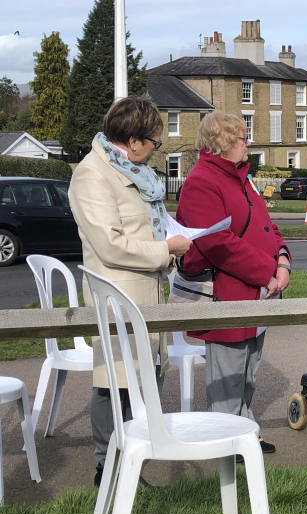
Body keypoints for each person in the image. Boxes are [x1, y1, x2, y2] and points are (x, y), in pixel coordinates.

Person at [68, 96, 192, 486]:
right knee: (114, 385)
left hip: (149, 294)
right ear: (134, 140)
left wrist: (171, 250)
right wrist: (166, 250)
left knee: (144, 383)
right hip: (118, 298)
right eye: (156, 142)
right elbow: (109, 245)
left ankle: (131, 465)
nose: (157, 151)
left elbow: (146, 228)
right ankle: (107, 469)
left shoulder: (137, 174)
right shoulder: (92, 174)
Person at [176, 111, 290, 459]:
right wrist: (268, 272)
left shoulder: (242, 177)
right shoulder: (201, 181)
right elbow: (218, 244)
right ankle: (226, 442)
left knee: (248, 372)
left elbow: (268, 226)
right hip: (227, 294)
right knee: (227, 375)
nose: (248, 143)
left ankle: (243, 432)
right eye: (243, 138)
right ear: (225, 143)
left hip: (257, 291)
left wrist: (283, 261)